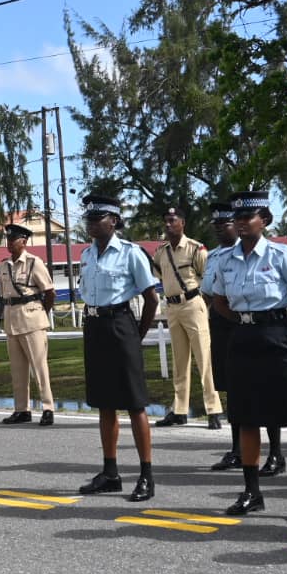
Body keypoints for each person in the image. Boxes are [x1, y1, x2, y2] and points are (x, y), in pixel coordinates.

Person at [205, 191, 287, 523]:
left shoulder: (280, 255)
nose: (243, 223)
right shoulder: (226, 259)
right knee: (245, 417)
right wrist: (245, 322)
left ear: (265, 221)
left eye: (250, 217)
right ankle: (251, 492)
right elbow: (219, 301)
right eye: (239, 217)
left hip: (278, 338)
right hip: (243, 338)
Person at [74, 193, 159, 501]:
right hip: (95, 326)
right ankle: (110, 472)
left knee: (135, 403)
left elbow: (151, 298)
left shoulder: (130, 253)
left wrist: (137, 334)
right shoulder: (86, 254)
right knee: (104, 402)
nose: (92, 225)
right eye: (89, 220)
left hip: (121, 324)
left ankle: (146, 475)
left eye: (98, 219)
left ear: (114, 221)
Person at [151, 208, 221, 429]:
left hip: (193, 304)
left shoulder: (195, 249)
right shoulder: (161, 252)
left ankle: (213, 409)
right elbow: (161, 276)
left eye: (172, 220)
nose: (168, 224)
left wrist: (201, 305)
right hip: (172, 307)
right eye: (166, 221)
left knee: (204, 358)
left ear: (183, 223)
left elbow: (207, 279)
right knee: (179, 360)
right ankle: (179, 410)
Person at [0, 224, 57, 425]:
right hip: (12, 320)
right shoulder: (4, 265)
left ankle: (47, 407)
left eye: (13, 239)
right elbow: (3, 295)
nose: (9, 243)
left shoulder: (34, 262)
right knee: (17, 369)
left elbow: (50, 292)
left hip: (32, 319)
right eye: (7, 239)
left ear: (23, 241)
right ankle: (22, 409)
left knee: (39, 367)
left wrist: (41, 313)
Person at [206, 205, 244, 469]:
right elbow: (207, 290)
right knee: (232, 387)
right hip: (222, 323)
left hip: (245, 320)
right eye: (216, 226)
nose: (220, 229)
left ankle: (275, 451)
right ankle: (237, 448)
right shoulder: (213, 256)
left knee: (259, 387)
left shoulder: (248, 252)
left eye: (225, 224)